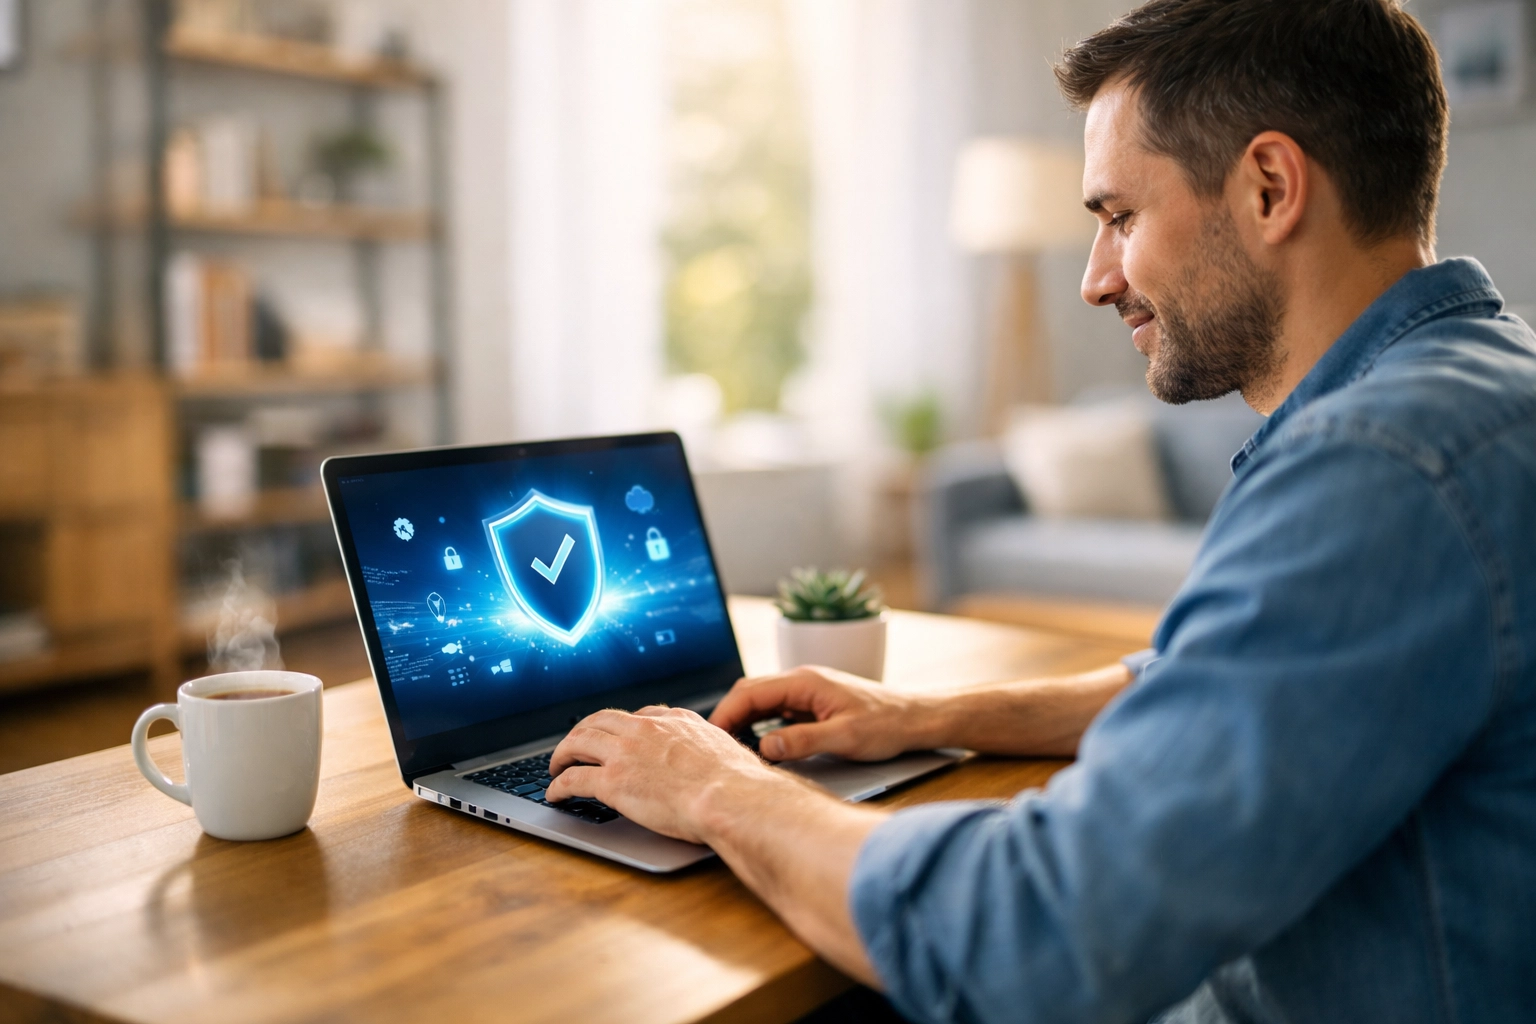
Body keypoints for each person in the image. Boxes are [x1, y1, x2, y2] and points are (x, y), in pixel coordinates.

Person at [546, 1, 1536, 1020]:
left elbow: (1042, 932)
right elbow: (1229, 680)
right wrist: (927, 715)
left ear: (1269, 187)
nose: (1095, 278)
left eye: (1118, 216)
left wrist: (718, 787)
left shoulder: (1380, 468)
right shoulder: (1483, 386)